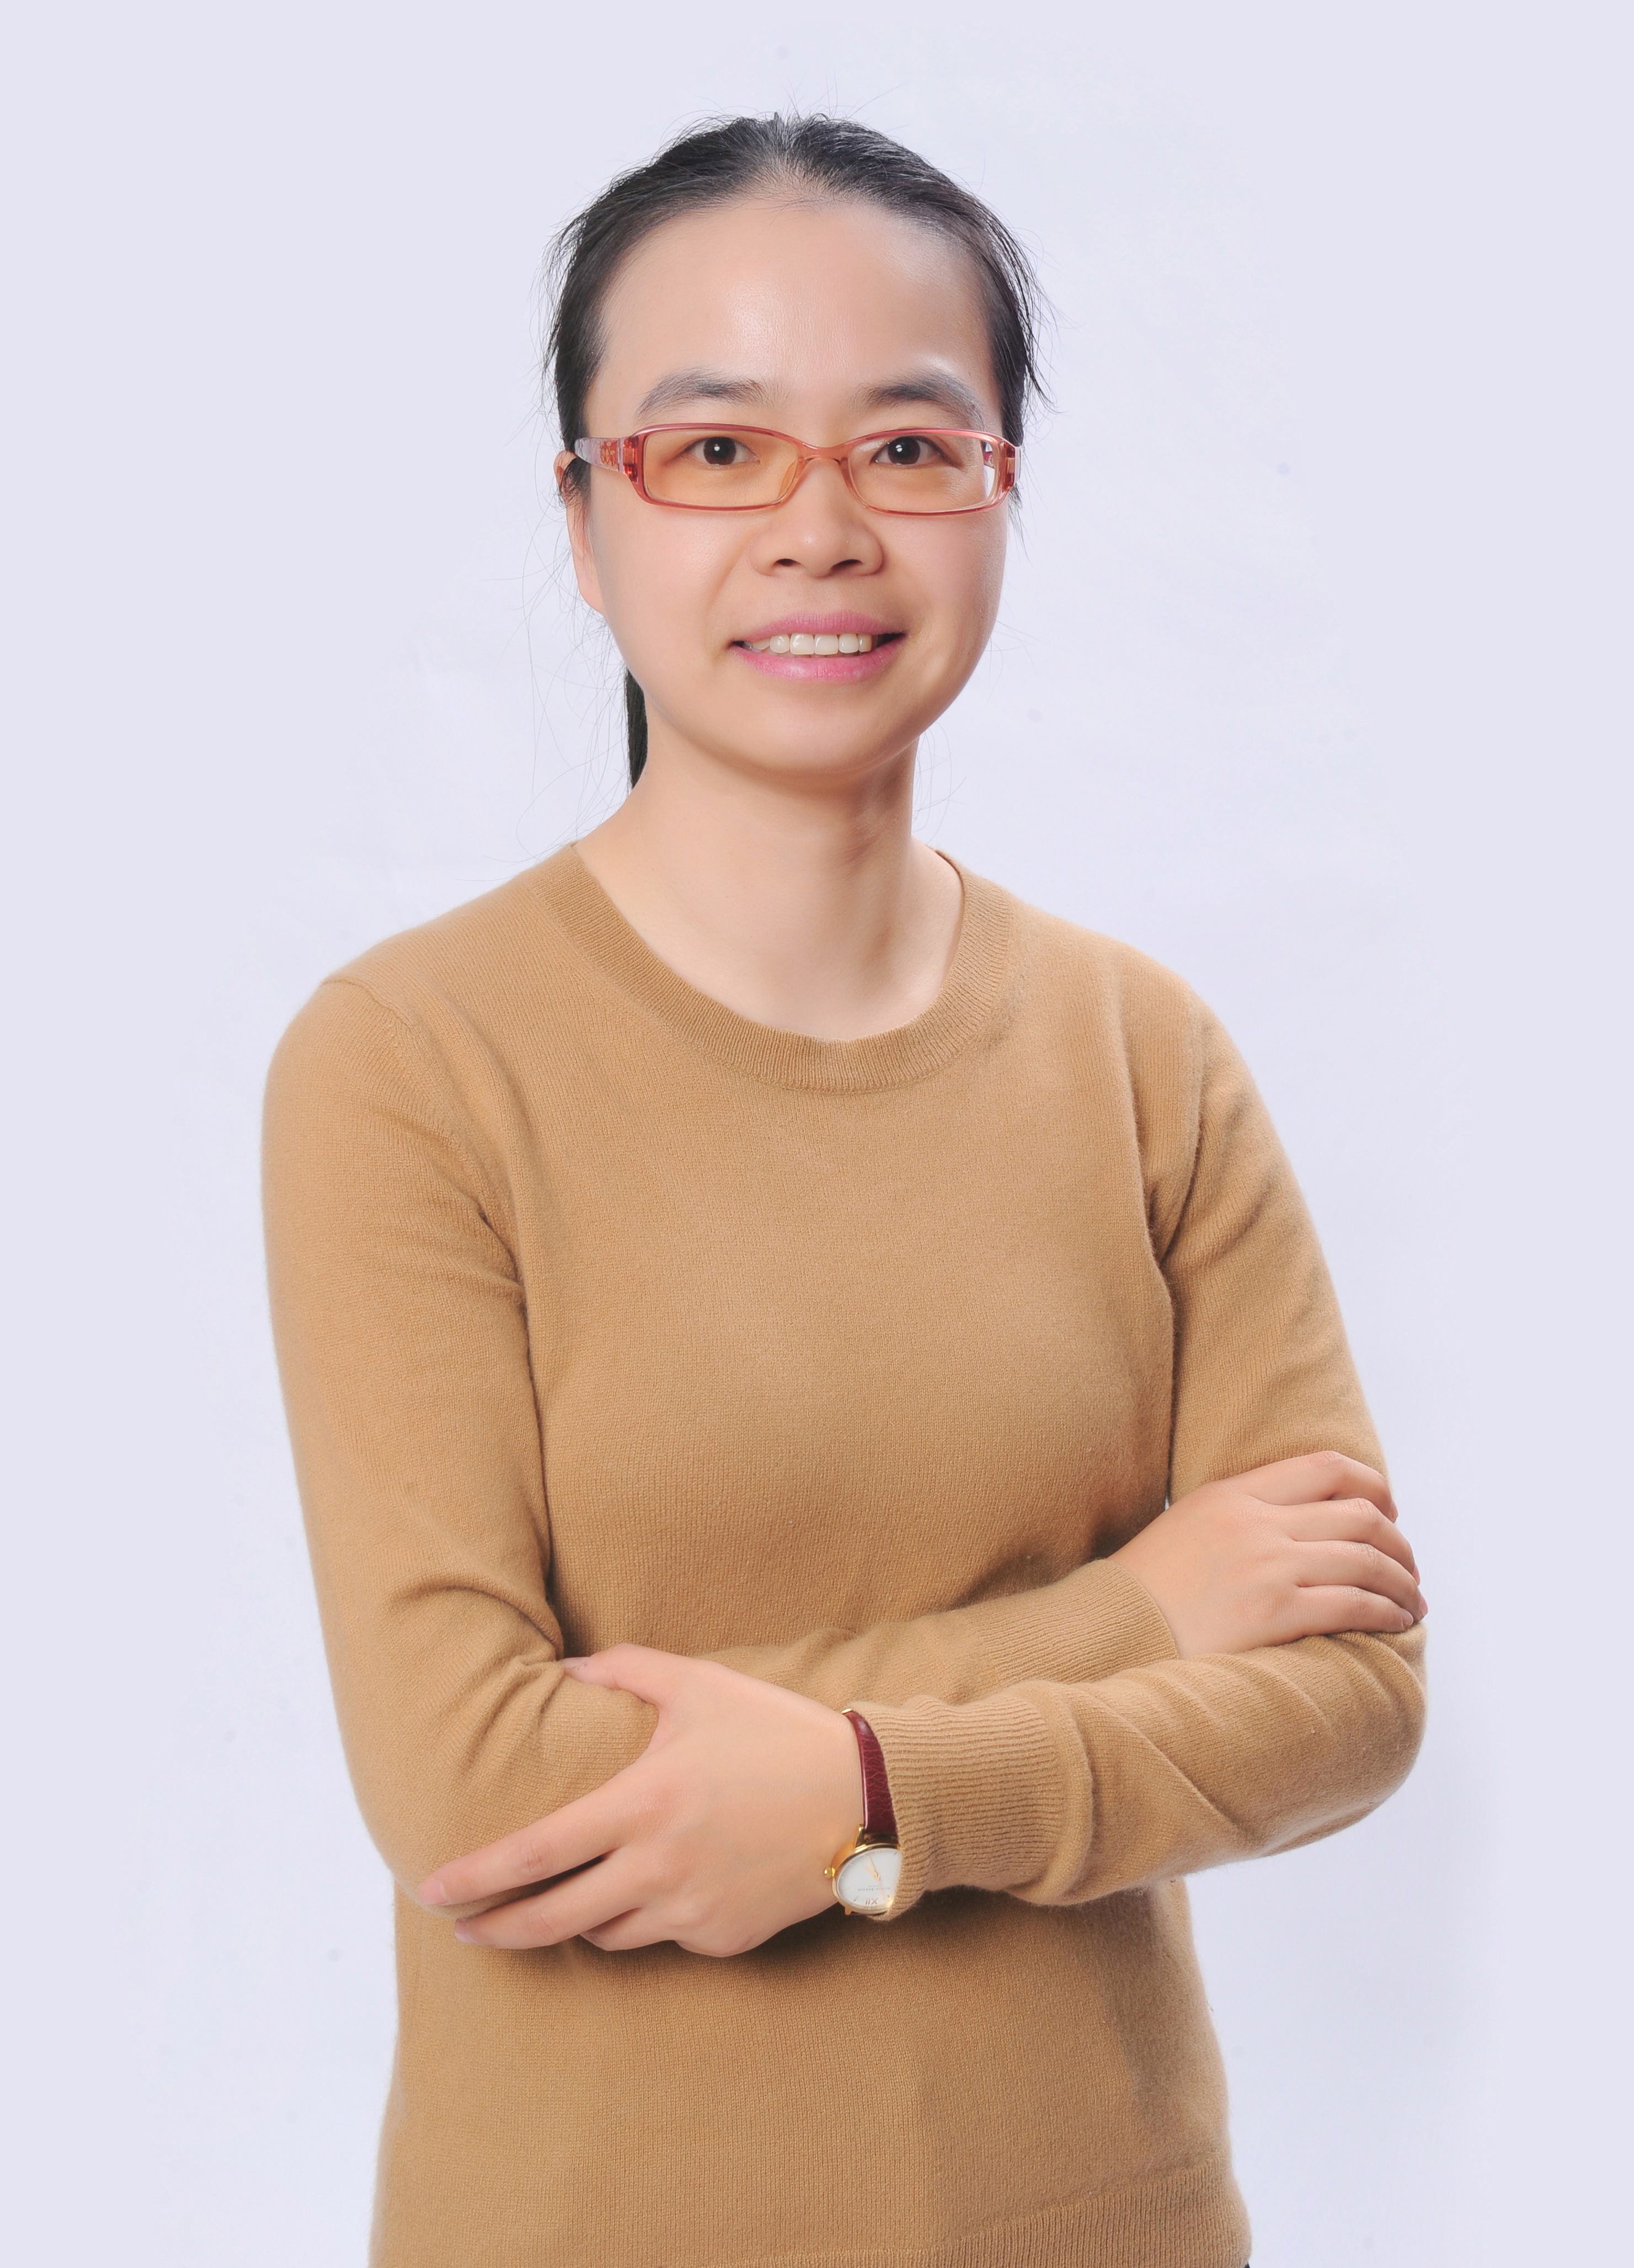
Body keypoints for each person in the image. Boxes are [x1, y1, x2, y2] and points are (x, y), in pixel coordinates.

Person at [263, 113, 1426, 2268]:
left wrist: (863, 1796)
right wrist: (1129, 1622)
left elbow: (1350, 1695)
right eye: (714, 451)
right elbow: (479, 1787)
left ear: (1001, 499)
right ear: (586, 522)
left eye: (907, 447)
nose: (819, 529)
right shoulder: (411, 1062)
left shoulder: (1142, 1052)